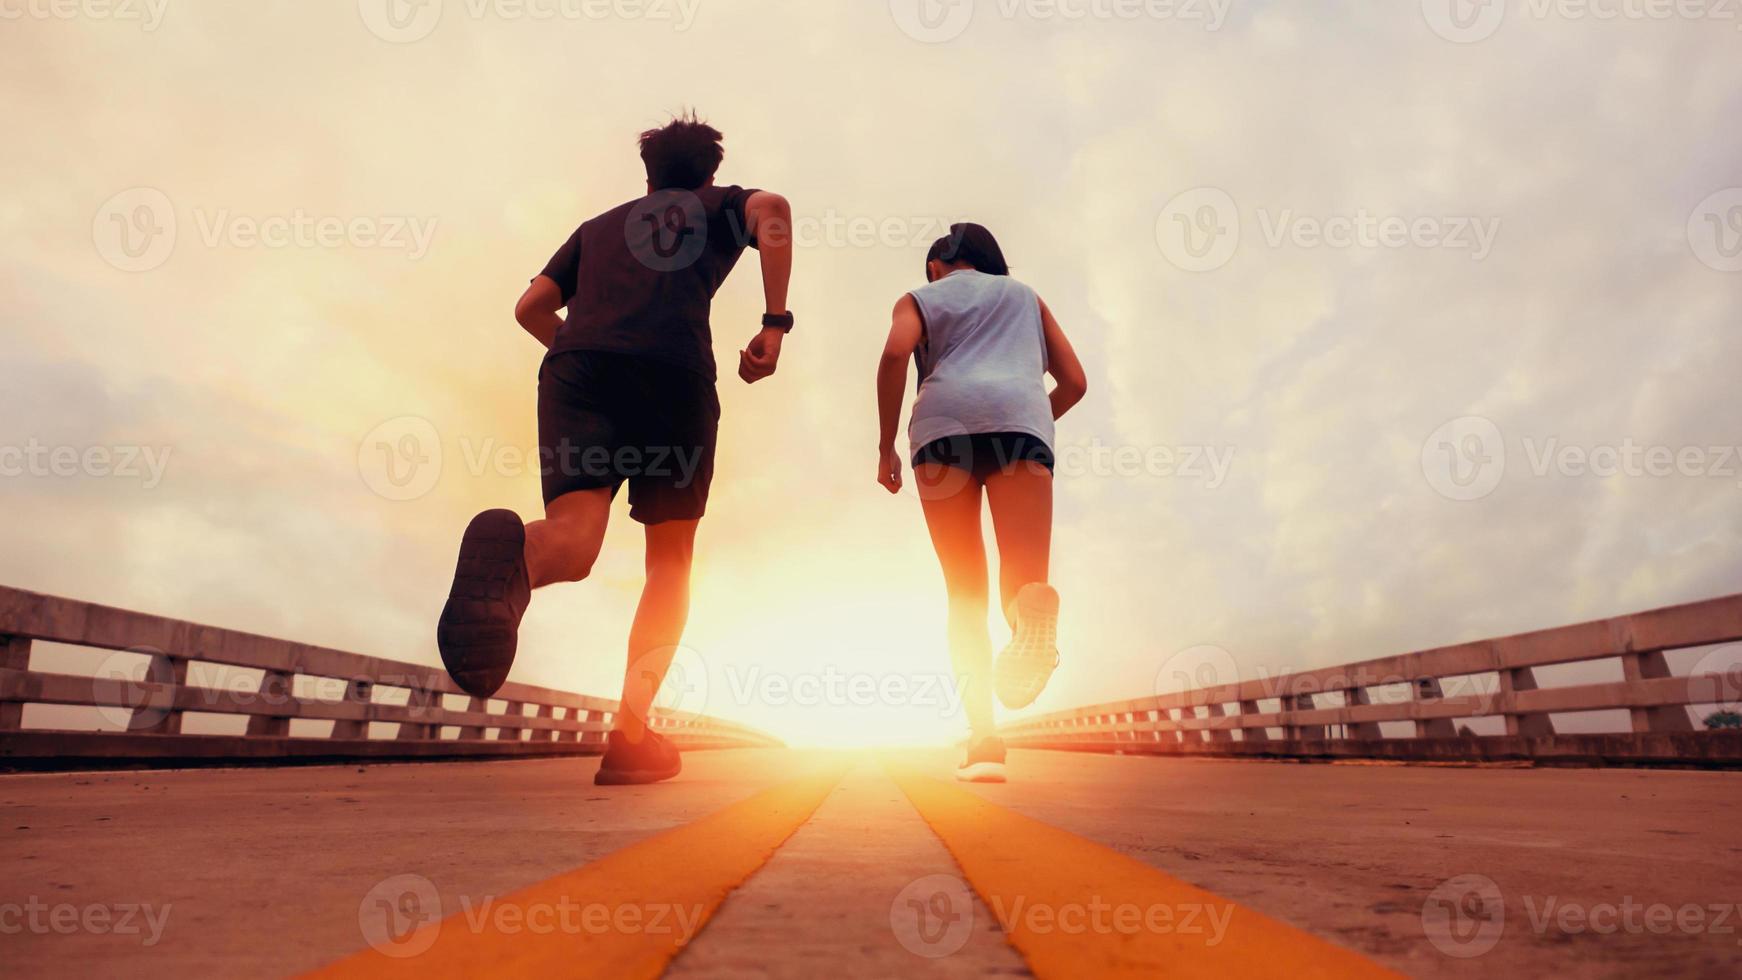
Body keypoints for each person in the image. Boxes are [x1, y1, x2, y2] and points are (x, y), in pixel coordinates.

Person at [436, 113, 794, 786]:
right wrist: (775, 324)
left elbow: (531, 306)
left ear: (649, 173)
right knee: (670, 562)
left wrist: (584, 347)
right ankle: (631, 735)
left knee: (573, 541)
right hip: (672, 374)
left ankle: (516, 556)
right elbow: (773, 211)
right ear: (709, 172)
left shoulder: (597, 228)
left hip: (577, 371)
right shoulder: (718, 204)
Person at [875, 223, 1087, 783]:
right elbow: (1075, 382)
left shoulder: (919, 298)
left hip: (942, 429)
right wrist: (1027, 418)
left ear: (943, 262)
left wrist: (885, 445)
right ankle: (1031, 607)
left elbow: (896, 352)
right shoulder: (1025, 297)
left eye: (932, 268)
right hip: (1020, 422)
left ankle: (984, 740)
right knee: (1021, 578)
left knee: (964, 592)